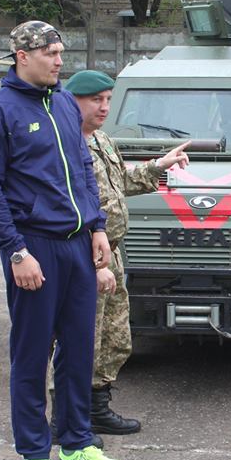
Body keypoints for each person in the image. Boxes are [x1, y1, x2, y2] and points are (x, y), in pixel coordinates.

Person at [0, 21, 124, 460]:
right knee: (32, 353)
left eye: (60, 52)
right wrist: (15, 251)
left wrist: (97, 226)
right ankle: (35, 455)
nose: (60, 61)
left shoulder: (62, 104)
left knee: (79, 350)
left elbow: (82, 169)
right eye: (50, 53)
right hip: (33, 247)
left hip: (78, 245)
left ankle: (76, 445)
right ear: (23, 56)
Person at [61, 70, 190, 436]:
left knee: (114, 338)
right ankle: (66, 418)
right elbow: (67, 208)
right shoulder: (64, 146)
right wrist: (94, 262)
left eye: (107, 100)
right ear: (72, 102)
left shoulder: (102, 140)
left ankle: (96, 408)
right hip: (84, 255)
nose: (104, 107)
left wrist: (159, 166)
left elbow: (121, 184)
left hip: (111, 254)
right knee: (80, 339)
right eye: (95, 100)